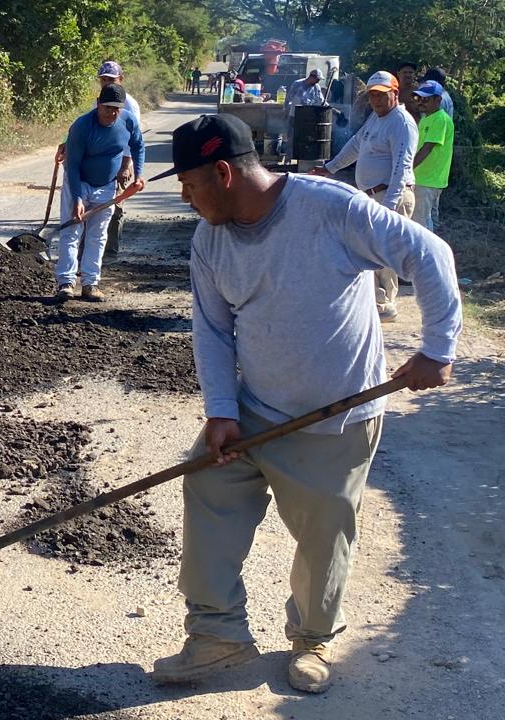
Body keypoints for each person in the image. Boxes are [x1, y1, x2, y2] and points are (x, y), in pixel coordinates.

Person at [150, 113, 461, 693]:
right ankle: (217, 637)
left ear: (223, 173)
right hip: (253, 408)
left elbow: (431, 254)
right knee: (209, 488)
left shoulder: (331, 209)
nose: (186, 198)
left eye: (189, 185)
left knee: (323, 535)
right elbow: (213, 332)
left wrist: (437, 347)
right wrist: (221, 411)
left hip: (334, 416)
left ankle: (313, 640)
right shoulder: (209, 240)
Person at [311, 72, 417, 322]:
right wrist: (330, 168)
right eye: (372, 96)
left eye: (381, 95)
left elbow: (402, 167)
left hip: (391, 196)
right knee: (370, 250)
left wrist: (388, 208)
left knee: (383, 251)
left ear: (395, 94)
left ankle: (385, 305)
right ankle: (376, 302)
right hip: (372, 196)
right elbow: (356, 145)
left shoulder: (401, 122)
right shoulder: (376, 119)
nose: (376, 101)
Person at [54, 83, 145, 302]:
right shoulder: (82, 126)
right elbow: (73, 165)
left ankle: (90, 284)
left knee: (98, 235)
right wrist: (76, 198)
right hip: (79, 182)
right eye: (107, 108)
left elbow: (138, 146)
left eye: (116, 109)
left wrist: (139, 174)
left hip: (106, 186)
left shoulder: (128, 121)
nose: (112, 113)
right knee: (72, 232)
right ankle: (65, 283)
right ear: (98, 104)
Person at [93, 61, 140, 256]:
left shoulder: (129, 104)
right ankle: (94, 245)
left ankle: (111, 249)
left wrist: (126, 165)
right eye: (103, 79)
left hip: (120, 160)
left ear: (121, 79)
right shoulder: (100, 100)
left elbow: (134, 138)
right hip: (102, 160)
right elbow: (87, 124)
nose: (106, 83)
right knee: (97, 202)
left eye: (111, 79)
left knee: (116, 204)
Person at [412, 77, 455, 232]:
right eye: (419, 98)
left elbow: (427, 148)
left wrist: (407, 169)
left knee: (419, 224)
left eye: (426, 99)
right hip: (423, 178)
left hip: (427, 180)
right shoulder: (427, 118)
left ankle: (425, 254)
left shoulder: (440, 119)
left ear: (438, 99)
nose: (421, 102)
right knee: (424, 220)